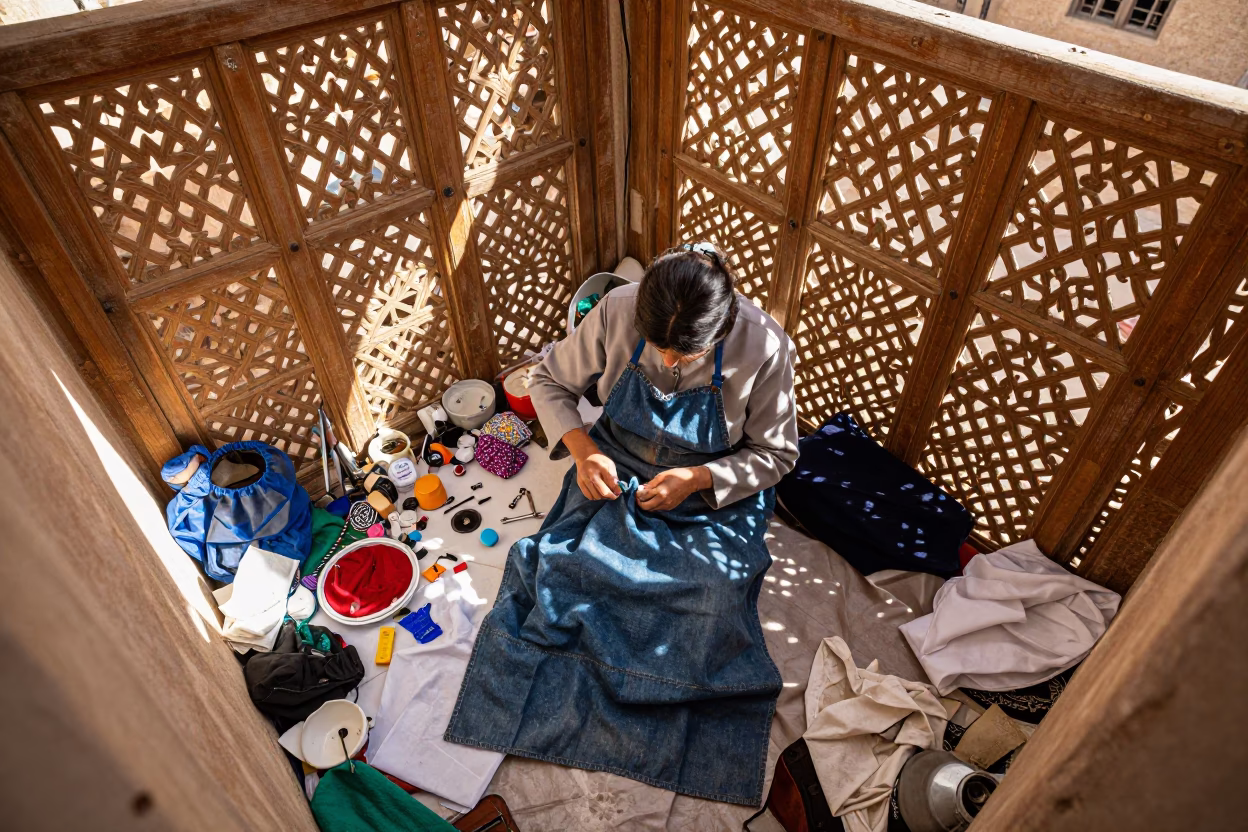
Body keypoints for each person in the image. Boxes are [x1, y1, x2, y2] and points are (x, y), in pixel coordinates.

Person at [445, 244, 800, 806]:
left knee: (711, 599)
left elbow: (776, 456)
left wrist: (698, 478)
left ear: (725, 322)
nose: (671, 366)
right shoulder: (615, 308)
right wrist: (584, 451)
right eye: (659, 350)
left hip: (712, 486)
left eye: (686, 355)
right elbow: (547, 382)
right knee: (564, 567)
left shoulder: (766, 346)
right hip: (618, 463)